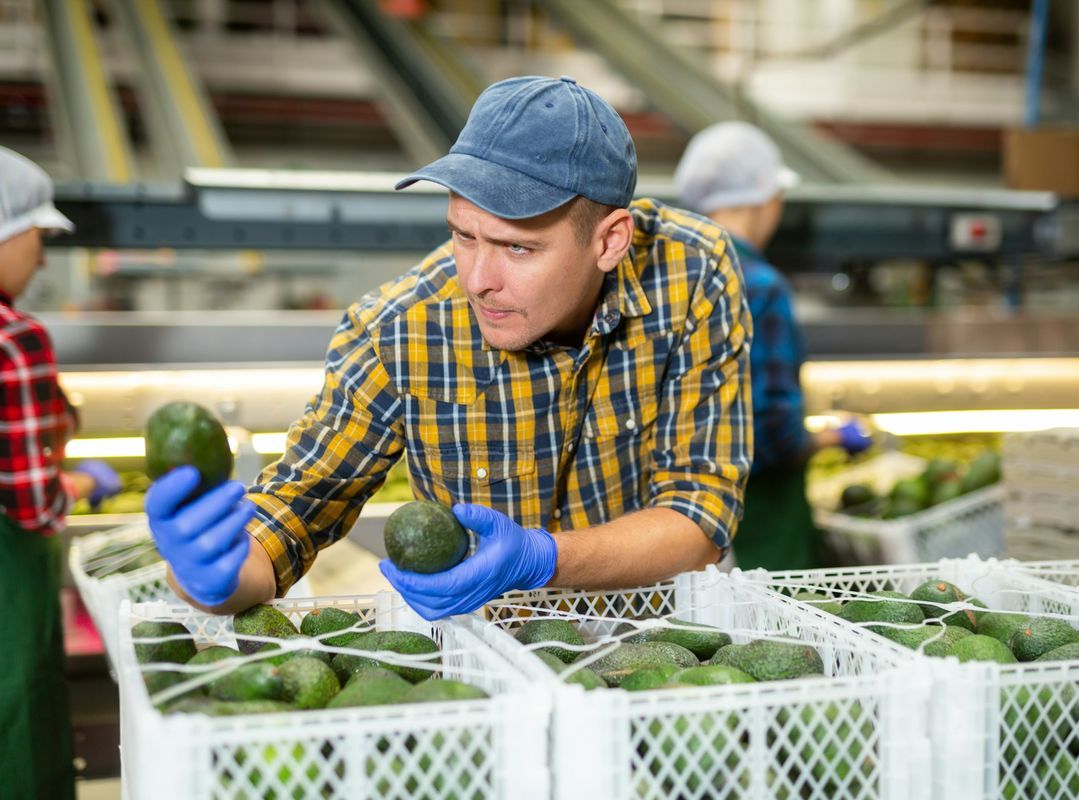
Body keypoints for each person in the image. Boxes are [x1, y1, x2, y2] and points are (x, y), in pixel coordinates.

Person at [145, 76, 752, 620]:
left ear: (610, 241)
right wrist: (205, 574)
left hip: (661, 651)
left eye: (518, 248)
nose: (478, 278)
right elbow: (289, 521)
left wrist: (543, 560)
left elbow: (702, 513)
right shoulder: (397, 331)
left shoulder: (691, 272)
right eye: (463, 234)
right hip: (485, 669)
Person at [674, 121, 871, 571]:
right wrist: (834, 435)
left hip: (685, 516)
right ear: (767, 199)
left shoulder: (676, 275)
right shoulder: (761, 286)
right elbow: (773, 436)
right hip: (761, 518)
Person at [0, 146, 123, 800]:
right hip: (7, 607)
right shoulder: (13, 340)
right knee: (18, 724)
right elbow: (34, 507)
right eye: (37, 237)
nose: (41, 258)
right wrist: (82, 482)